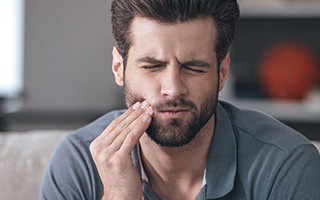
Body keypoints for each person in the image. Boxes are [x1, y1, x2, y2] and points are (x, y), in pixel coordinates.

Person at [40, 0, 320, 199]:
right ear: (118, 68)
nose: (173, 89)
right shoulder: (77, 162)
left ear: (222, 72)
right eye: (152, 66)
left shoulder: (285, 164)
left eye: (194, 67)